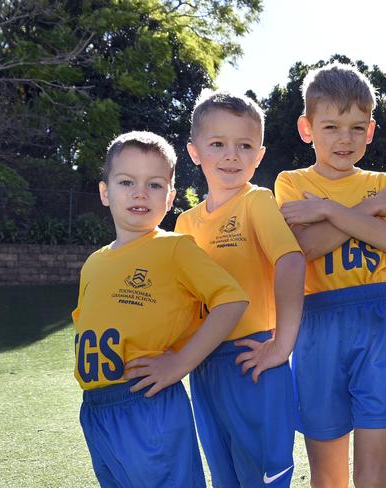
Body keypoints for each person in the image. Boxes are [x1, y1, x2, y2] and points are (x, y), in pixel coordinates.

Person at [274, 62, 386, 488]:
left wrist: (326, 210)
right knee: (327, 474)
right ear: (307, 128)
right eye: (332, 127)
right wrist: (365, 211)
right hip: (318, 323)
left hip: (380, 322)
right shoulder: (291, 182)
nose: (345, 139)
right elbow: (306, 248)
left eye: (357, 128)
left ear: (371, 130)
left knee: (376, 471)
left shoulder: (384, 182)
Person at [72, 130, 248, 488]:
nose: (140, 192)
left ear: (170, 198)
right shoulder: (93, 263)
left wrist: (180, 364)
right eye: (126, 182)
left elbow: (232, 300)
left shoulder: (175, 249)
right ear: (105, 192)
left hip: (148, 403)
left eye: (154, 185)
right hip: (96, 409)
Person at [175, 90, 306, 487]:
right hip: (204, 362)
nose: (232, 155)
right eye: (218, 144)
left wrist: (282, 345)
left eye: (244, 145)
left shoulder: (257, 202)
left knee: (263, 477)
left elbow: (291, 260)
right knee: (225, 476)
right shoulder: (184, 223)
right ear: (195, 151)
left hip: (254, 356)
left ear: (259, 155)